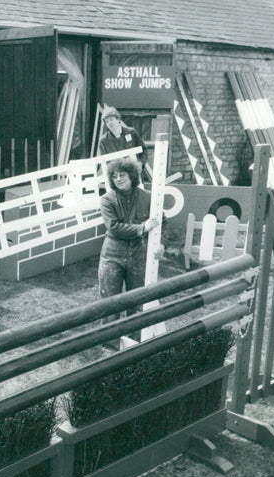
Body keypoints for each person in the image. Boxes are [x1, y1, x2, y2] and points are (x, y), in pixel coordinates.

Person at [98, 157, 159, 349]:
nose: (118, 179)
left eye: (122, 175)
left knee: (137, 299)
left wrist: (161, 243)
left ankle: (134, 340)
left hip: (139, 255)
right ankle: (108, 343)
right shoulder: (107, 199)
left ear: (132, 176)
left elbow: (161, 222)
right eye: (114, 176)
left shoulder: (149, 197)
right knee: (110, 300)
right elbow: (114, 228)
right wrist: (142, 228)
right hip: (112, 255)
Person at [98, 106, 148, 175]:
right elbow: (106, 163)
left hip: (134, 174)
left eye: (111, 119)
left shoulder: (132, 132)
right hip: (117, 177)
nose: (110, 123)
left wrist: (140, 164)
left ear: (118, 119)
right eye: (107, 121)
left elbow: (144, 150)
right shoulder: (103, 141)